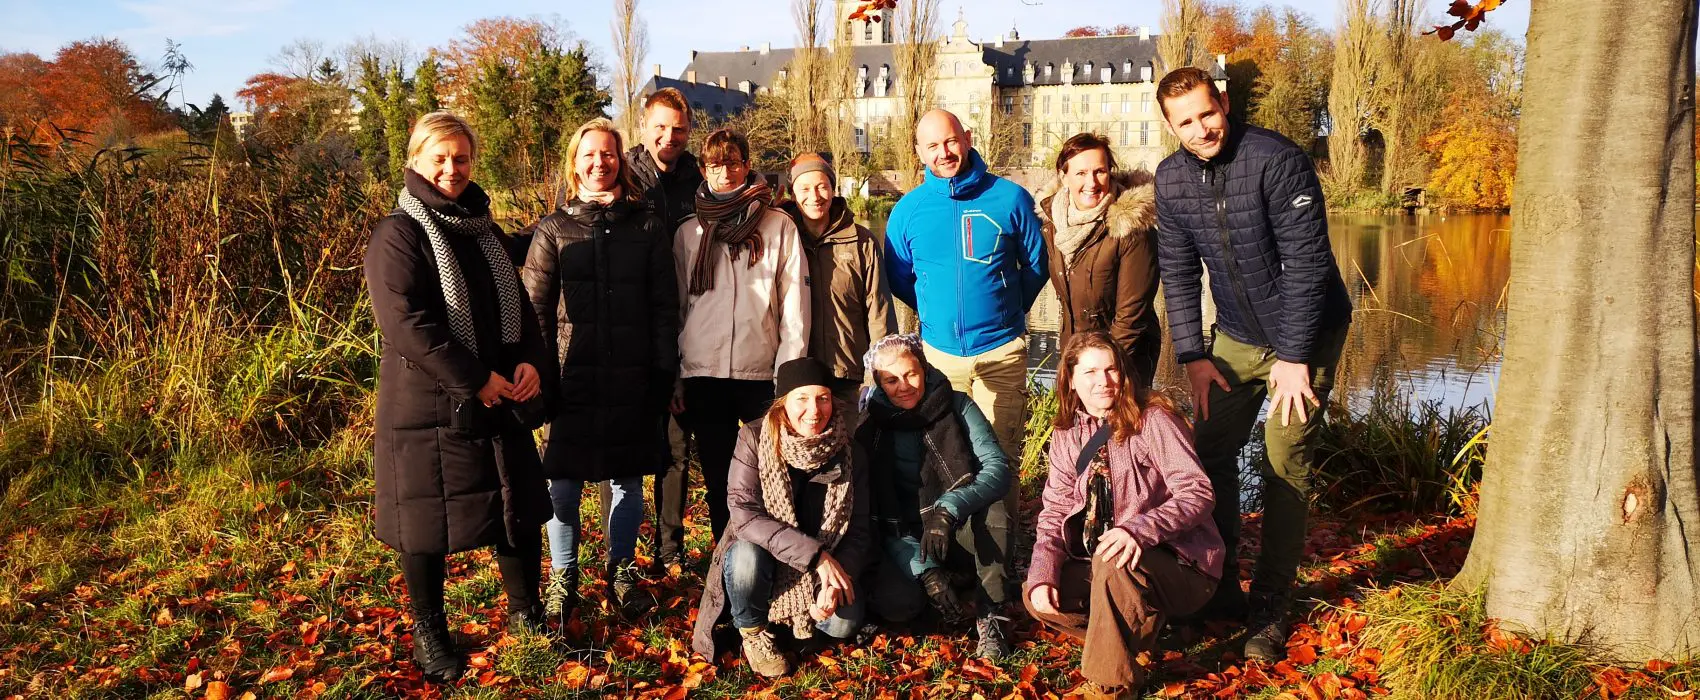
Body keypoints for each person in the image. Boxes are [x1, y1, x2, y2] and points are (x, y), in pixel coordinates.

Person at [1152, 66, 1353, 661]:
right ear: (1170, 126)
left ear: (1224, 102)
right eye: (1185, 122)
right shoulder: (1171, 179)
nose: (1201, 129)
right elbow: (1179, 274)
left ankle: (1270, 602)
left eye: (1206, 113)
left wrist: (1294, 356)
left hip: (1308, 332)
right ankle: (1216, 585)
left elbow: (1308, 264)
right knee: (1208, 450)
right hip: (1235, 336)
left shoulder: (1276, 159)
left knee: (1284, 459)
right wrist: (1192, 355)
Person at [363, 111, 552, 683]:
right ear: (416, 161)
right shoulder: (398, 233)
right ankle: (430, 633)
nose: (452, 168)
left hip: (501, 396)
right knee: (423, 523)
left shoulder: (484, 230)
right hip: (427, 406)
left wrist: (530, 361)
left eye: (461, 158)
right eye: (440, 158)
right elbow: (407, 324)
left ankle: (526, 614)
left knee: (517, 509)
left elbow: (520, 307)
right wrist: (476, 378)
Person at [523, 118, 678, 624]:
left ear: (620, 160)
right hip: (570, 379)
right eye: (589, 154)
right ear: (575, 163)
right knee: (562, 483)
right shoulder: (553, 228)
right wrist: (542, 379)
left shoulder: (647, 226)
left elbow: (664, 307)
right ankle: (563, 576)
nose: (599, 163)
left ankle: (622, 570)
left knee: (627, 481)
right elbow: (535, 312)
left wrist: (662, 372)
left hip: (632, 376)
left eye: (608, 154)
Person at [1025, 331, 1224, 699]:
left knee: (1112, 558)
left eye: (1111, 369)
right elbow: (1054, 511)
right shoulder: (1067, 433)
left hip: (1183, 566)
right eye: (1090, 372)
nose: (1103, 381)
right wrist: (1043, 573)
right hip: (1107, 565)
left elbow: (1198, 492)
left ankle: (1111, 684)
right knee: (1036, 593)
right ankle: (1138, 629)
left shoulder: (1154, 419)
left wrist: (1139, 530)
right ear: (1071, 379)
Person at [883, 109, 1045, 515]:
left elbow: (1036, 265)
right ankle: (952, 541)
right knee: (948, 454)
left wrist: (1007, 312)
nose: (944, 153)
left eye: (951, 141)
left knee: (1001, 457)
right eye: (933, 145)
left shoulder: (1010, 198)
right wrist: (936, 315)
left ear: (968, 138)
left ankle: (999, 552)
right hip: (939, 356)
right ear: (919, 151)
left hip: (1001, 352)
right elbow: (899, 278)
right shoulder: (907, 211)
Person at [691, 358, 872, 677]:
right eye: (802, 399)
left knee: (843, 624)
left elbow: (859, 530)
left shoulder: (850, 451)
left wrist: (832, 582)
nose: (814, 410)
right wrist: (816, 557)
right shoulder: (753, 437)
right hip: (765, 557)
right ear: (783, 403)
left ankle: (791, 624)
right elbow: (744, 514)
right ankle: (753, 630)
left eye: (823, 398)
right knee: (745, 555)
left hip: (821, 568)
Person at [673, 128, 809, 548]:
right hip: (704, 373)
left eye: (733, 162)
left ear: (748, 165)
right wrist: (676, 374)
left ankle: (770, 557)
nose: (725, 172)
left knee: (770, 475)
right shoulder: (688, 233)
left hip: (761, 375)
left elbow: (794, 308)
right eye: (715, 164)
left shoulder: (777, 225)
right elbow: (678, 309)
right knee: (718, 480)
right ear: (703, 170)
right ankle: (725, 562)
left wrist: (788, 378)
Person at [856, 333, 1015, 659]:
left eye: (911, 374)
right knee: (899, 605)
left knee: (995, 512)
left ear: (924, 369)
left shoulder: (958, 405)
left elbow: (997, 468)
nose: (904, 386)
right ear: (879, 383)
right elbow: (876, 519)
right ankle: (941, 590)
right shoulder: (869, 427)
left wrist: (948, 510)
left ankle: (992, 614)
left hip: (956, 524)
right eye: (891, 380)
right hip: (904, 535)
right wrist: (926, 570)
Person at [617, 87, 706, 573]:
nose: (669, 137)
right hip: (633, 325)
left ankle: (669, 549)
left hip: (689, 322)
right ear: (644, 126)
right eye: (661, 127)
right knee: (630, 447)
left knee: (677, 447)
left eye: (679, 129)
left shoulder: (700, 180)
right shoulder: (623, 176)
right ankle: (622, 555)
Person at [1035, 133, 1162, 388]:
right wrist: (1074, 364)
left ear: (1110, 173)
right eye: (1081, 173)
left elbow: (1131, 318)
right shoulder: (1054, 224)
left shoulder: (1131, 228)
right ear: (1064, 177)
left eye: (1099, 172)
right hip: (1075, 355)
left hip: (1122, 362)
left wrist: (1102, 372)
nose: (1091, 182)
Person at [778, 153, 897, 404]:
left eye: (822, 186)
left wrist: (880, 374)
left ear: (833, 189)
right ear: (793, 193)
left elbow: (879, 313)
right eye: (805, 188)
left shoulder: (861, 241)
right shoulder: (781, 238)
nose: (815, 196)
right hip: (799, 377)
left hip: (849, 375)